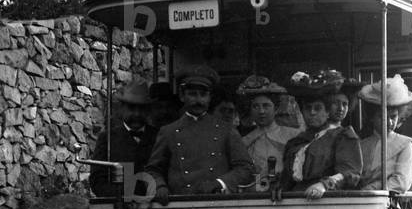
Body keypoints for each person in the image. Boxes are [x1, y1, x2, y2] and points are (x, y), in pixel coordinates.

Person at [145, 66, 255, 199]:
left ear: (210, 97)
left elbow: (245, 168)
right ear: (182, 95)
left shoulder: (226, 130)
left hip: (217, 203)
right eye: (192, 94)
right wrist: (159, 186)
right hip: (179, 205)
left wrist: (220, 183)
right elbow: (153, 170)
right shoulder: (169, 132)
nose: (198, 100)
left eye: (203, 95)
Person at [281, 69, 363, 199]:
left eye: (317, 108)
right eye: (308, 108)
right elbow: (286, 179)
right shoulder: (296, 142)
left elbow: (350, 172)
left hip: (327, 200)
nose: (312, 113)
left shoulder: (342, 136)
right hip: (296, 201)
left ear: (328, 111)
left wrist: (324, 185)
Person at [89, 79, 159, 197]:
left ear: (148, 110)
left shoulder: (159, 136)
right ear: (122, 108)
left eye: (141, 109)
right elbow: (97, 181)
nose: (136, 114)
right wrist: (123, 195)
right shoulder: (107, 139)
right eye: (132, 108)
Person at [356, 75, 412, 192]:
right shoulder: (361, 145)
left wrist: (372, 189)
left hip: (388, 204)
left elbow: (401, 182)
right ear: (372, 118)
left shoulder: (405, 145)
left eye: (393, 117)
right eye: (382, 117)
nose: (389, 122)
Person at [237, 75, 302, 182]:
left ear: (276, 109)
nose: (261, 111)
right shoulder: (244, 141)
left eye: (266, 106)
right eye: (256, 106)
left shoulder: (293, 135)